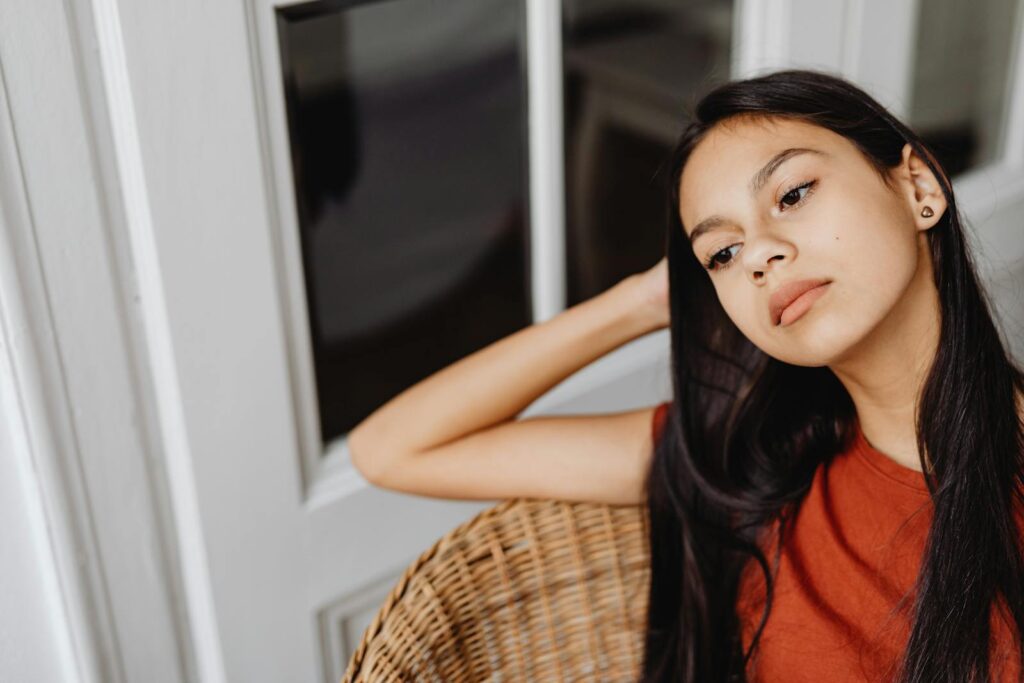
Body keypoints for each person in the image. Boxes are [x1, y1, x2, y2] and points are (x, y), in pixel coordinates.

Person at [348, 69, 1024, 682]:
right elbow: (392, 448)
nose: (759, 253)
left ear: (918, 188)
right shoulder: (750, 463)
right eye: (722, 252)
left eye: (792, 194)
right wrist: (643, 301)